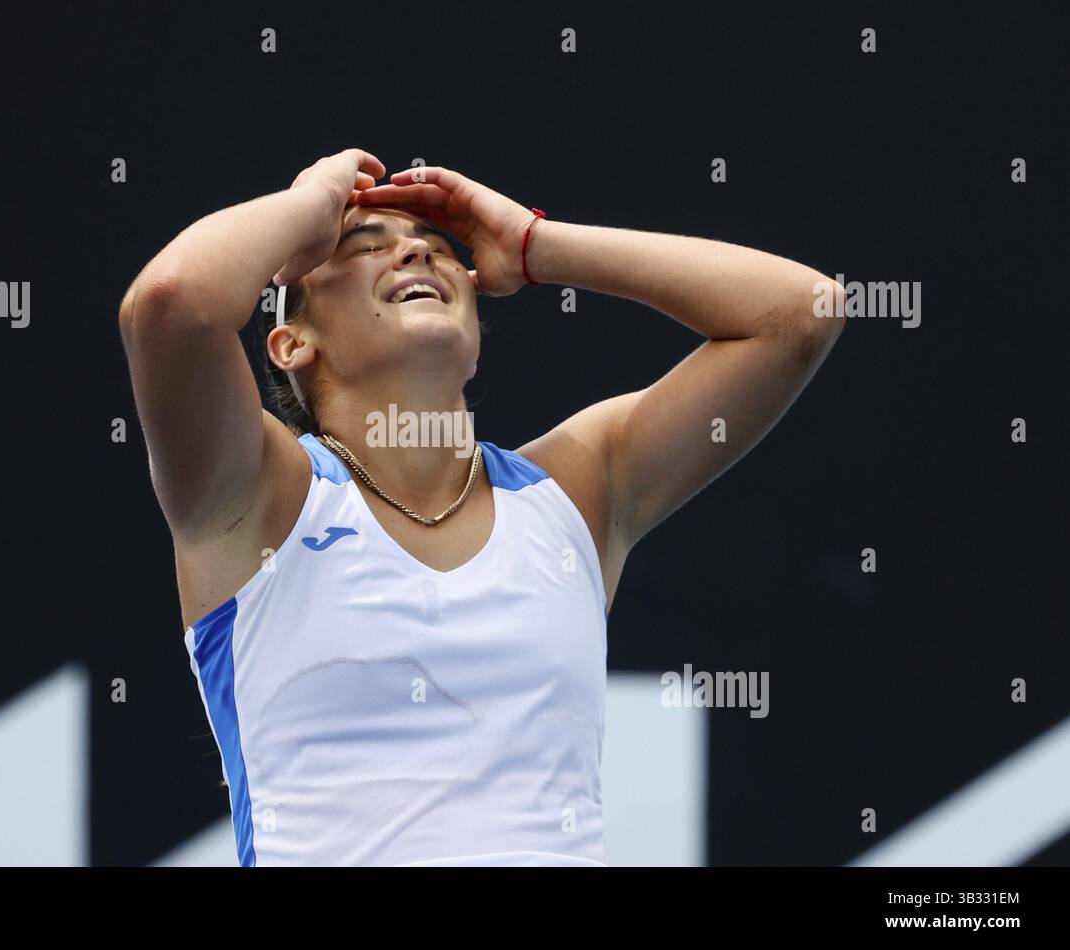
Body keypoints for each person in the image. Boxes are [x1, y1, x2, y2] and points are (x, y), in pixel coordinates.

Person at [116, 148, 845, 866]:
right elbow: (171, 303)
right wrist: (312, 204)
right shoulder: (254, 498)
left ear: (475, 333)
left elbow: (801, 313)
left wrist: (537, 244)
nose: (416, 256)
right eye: (366, 246)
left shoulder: (578, 489)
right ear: (289, 342)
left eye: (438, 249)